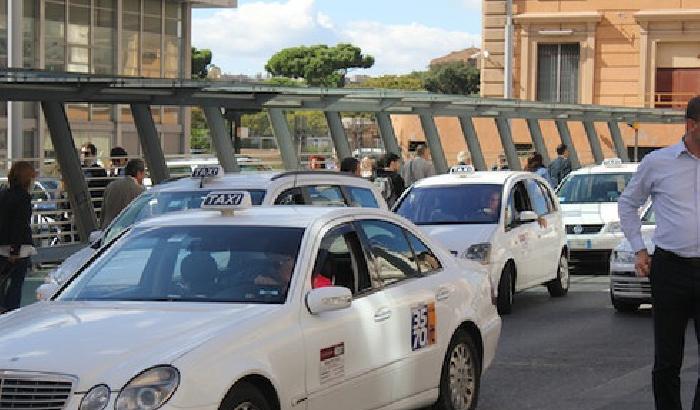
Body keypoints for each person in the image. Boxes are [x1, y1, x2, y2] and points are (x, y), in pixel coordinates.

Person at [618, 96, 700, 410]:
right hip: (670, 270)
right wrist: (639, 249)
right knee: (667, 360)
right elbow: (628, 204)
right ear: (691, 125)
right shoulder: (658, 163)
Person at [0, 162, 37, 313]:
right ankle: (11, 313)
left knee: (2, 283)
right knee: (16, 284)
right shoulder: (24, 198)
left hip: (2, 246)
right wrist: (14, 251)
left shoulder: (3, 194)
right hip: (19, 249)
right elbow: (20, 225)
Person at [100, 159, 146, 229]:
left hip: (108, 232)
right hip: (126, 234)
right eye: (143, 174)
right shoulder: (140, 191)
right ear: (139, 173)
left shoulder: (111, 186)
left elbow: (103, 213)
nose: (143, 177)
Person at [80, 142, 109, 210]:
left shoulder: (100, 172)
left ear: (93, 155)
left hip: (96, 206)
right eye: (82, 153)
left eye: (86, 153)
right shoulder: (78, 170)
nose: (83, 156)